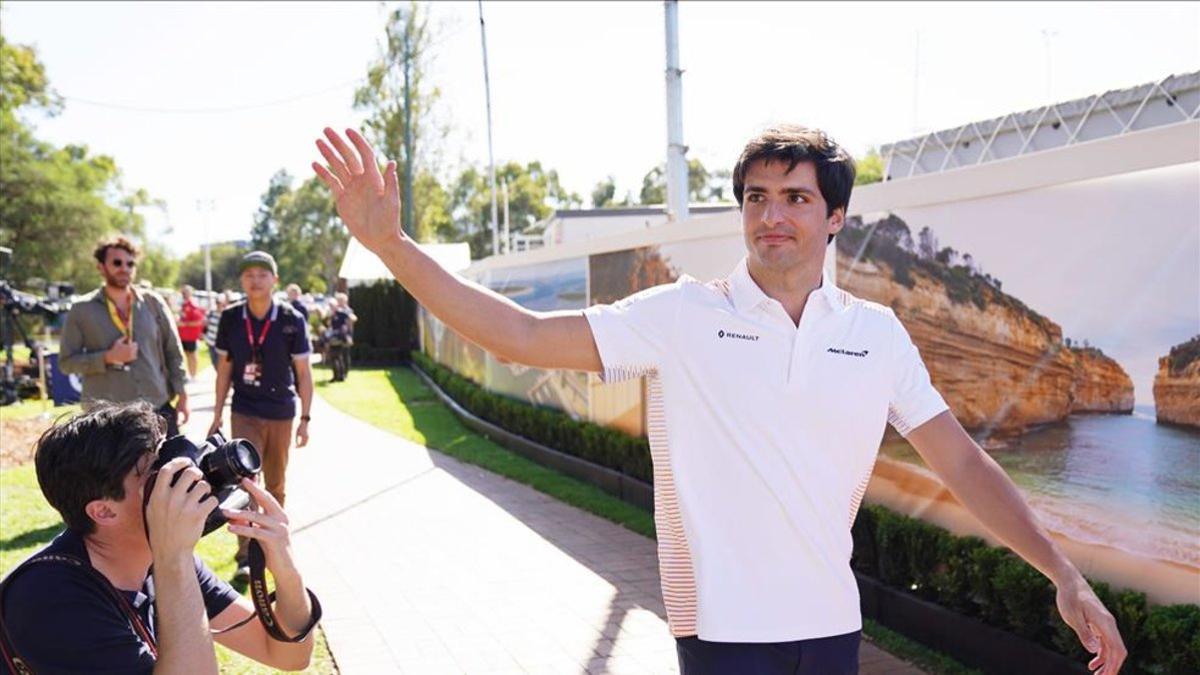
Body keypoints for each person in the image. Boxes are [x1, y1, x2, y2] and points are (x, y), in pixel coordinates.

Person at [311, 126, 1127, 674]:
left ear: (836, 216)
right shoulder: (681, 316)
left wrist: (1061, 572)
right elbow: (518, 336)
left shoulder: (875, 334)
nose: (772, 215)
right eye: (756, 197)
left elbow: (961, 459)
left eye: (796, 198)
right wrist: (392, 244)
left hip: (833, 628)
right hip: (725, 637)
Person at [0, 402, 316, 673]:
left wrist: (285, 567)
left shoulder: (157, 561)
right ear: (104, 511)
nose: (182, 478)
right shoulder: (49, 598)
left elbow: (288, 654)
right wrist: (173, 560)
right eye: (156, 473)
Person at [209, 251, 314, 582]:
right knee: (244, 483)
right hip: (245, 411)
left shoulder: (291, 318)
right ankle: (245, 554)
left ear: (275, 280)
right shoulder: (230, 319)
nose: (255, 280)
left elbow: (304, 371)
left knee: (276, 484)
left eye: (262, 274)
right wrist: (216, 415)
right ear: (241, 280)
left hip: (282, 412)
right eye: (248, 274)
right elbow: (224, 369)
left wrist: (306, 419)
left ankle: (274, 547)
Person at [60, 236, 190, 436]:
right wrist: (107, 357)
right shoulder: (81, 310)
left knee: (176, 465)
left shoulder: (153, 302)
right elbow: (67, 362)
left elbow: (173, 350)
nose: (125, 269)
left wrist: (182, 394)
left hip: (157, 408)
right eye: (117, 263)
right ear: (101, 267)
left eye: (130, 264)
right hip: (109, 419)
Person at [324, 292, 356, 382]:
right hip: (335, 336)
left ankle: (342, 374)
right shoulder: (333, 313)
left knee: (342, 356)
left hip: (343, 337)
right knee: (336, 356)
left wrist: (348, 333)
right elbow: (329, 323)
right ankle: (338, 375)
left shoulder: (345, 311)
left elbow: (352, 320)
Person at [176, 284, 207, 378]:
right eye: (183, 292)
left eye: (185, 292)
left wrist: (185, 324)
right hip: (182, 335)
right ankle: (189, 374)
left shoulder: (193, 305)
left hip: (190, 336)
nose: (183, 294)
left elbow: (199, 321)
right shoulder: (183, 305)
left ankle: (193, 375)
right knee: (186, 355)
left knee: (192, 355)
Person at [203, 292, 229, 370]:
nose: (219, 305)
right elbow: (205, 325)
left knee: (222, 366)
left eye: (220, 303)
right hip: (211, 343)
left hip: (222, 345)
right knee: (214, 364)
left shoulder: (227, 314)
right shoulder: (211, 313)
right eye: (217, 303)